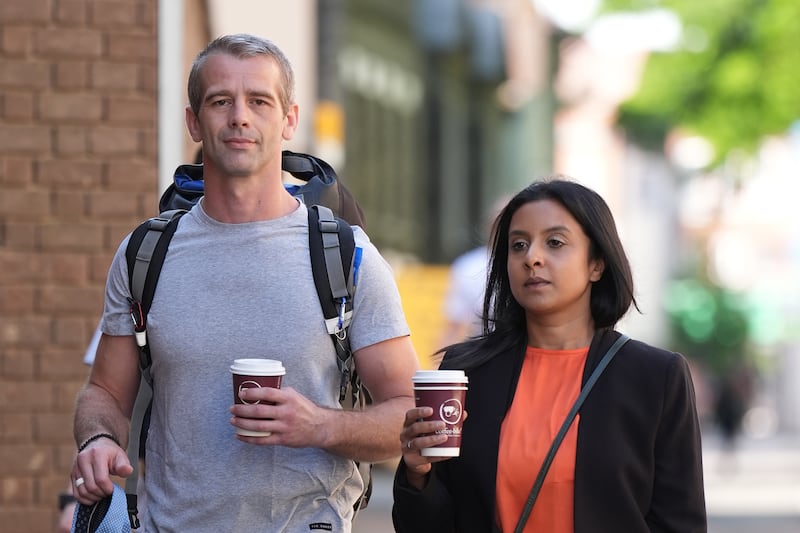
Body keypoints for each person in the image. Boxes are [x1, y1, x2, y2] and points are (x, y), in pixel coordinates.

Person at [69, 33, 419, 532]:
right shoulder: (145, 253)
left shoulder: (346, 255)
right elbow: (104, 390)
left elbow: (409, 415)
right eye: (220, 101)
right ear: (194, 121)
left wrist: (319, 424)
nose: (239, 116)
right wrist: (98, 440)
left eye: (259, 101)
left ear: (289, 119)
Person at [393, 179, 706, 532]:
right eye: (518, 245)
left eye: (554, 242)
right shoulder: (467, 373)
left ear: (596, 264)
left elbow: (680, 523)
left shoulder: (656, 377)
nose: (532, 258)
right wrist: (417, 474)